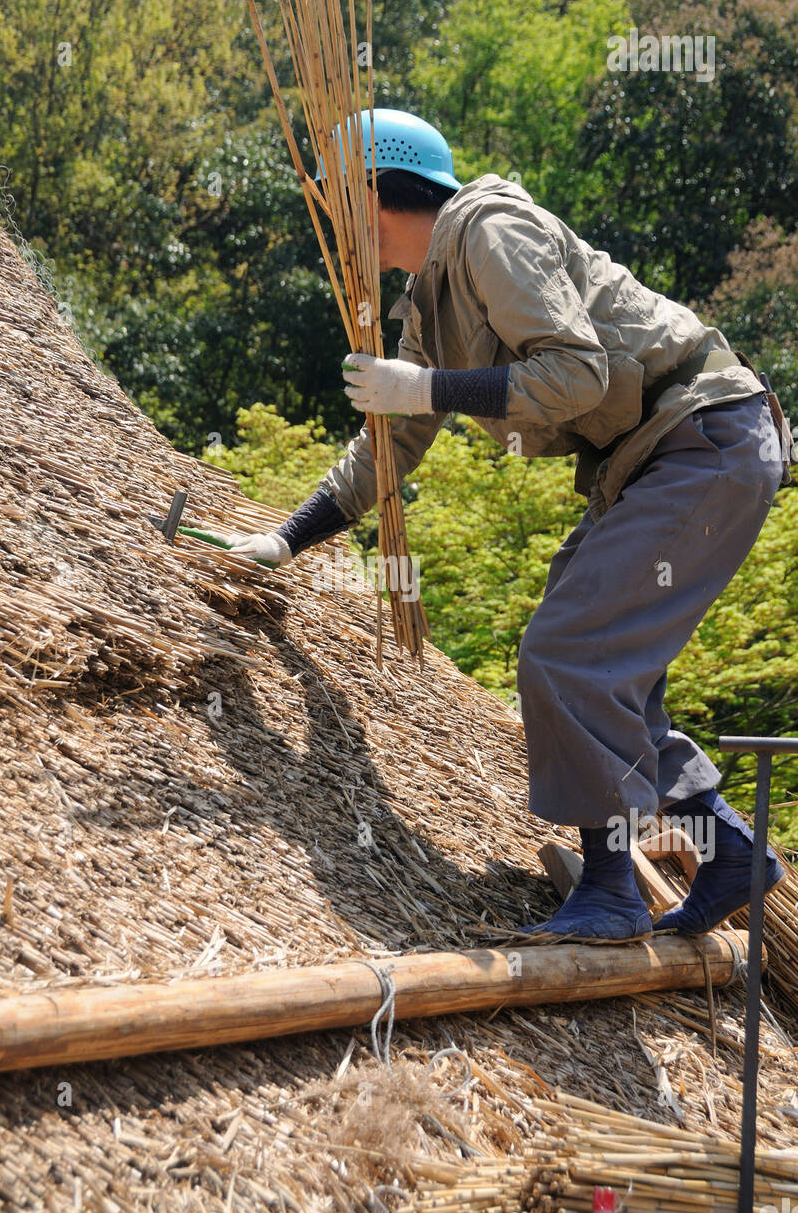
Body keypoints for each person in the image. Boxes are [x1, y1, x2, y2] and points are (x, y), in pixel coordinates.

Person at [224, 108, 791, 941]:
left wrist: (422, 388)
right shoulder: (429, 299)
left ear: (374, 192)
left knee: (566, 652)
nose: (333, 230)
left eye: (335, 203)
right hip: (654, 459)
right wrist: (288, 536)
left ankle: (610, 888)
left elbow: (576, 375)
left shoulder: (490, 228)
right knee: (603, 666)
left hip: (701, 438)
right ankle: (725, 849)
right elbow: (394, 440)